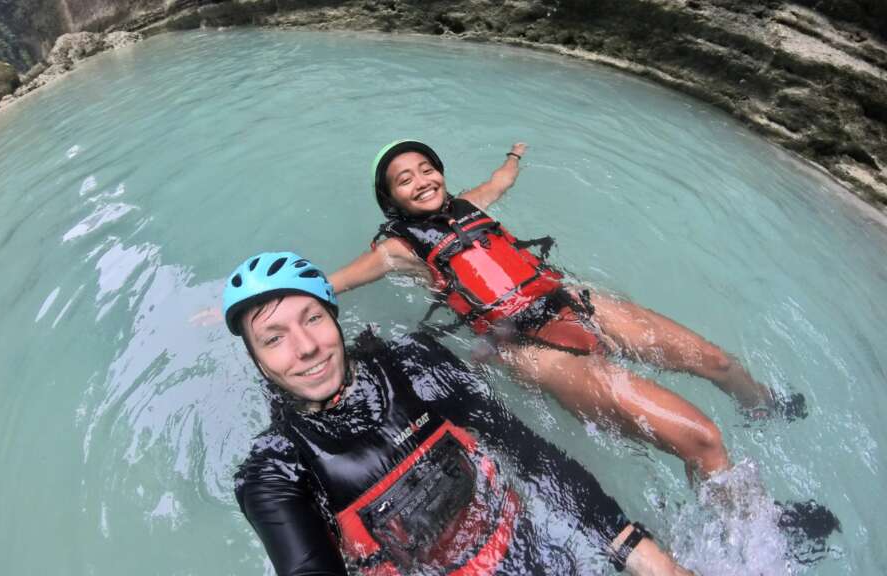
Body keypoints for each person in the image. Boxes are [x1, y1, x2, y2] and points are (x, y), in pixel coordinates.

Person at [328, 140, 805, 482]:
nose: (422, 180)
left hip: (571, 302)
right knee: (701, 439)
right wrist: (274, 302)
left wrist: (514, 156)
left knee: (717, 361)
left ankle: (760, 405)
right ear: (390, 199)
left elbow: (501, 180)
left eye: (426, 167)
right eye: (404, 179)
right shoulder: (398, 249)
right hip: (528, 347)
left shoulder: (470, 204)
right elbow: (336, 282)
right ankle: (752, 536)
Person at [226, 251, 692, 576]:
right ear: (258, 361)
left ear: (333, 318)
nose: (306, 348)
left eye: (312, 318)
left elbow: (532, 454)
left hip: (532, 547)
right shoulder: (277, 469)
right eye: (274, 337)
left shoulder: (414, 366)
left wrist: (638, 552)